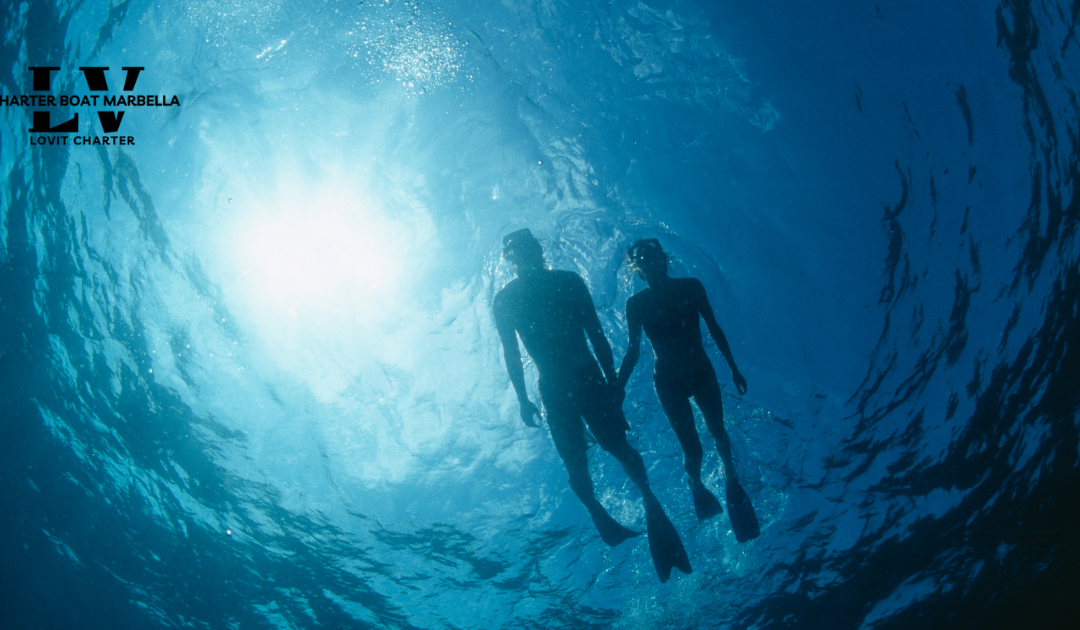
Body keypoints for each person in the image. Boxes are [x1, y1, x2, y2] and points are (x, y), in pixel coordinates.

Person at [493, 229, 691, 582]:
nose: (528, 255)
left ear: (538, 251)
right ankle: (602, 510)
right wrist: (523, 398)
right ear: (514, 259)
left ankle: (648, 502)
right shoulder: (511, 298)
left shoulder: (562, 283)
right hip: (561, 386)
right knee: (577, 460)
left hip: (584, 380)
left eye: (530, 248)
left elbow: (596, 332)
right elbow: (512, 351)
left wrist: (613, 382)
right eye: (521, 251)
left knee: (615, 446)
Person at [616, 238, 760, 542]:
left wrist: (734, 368)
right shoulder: (636, 305)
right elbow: (632, 351)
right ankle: (696, 484)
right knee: (693, 449)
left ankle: (730, 478)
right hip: (668, 382)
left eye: (654, 258)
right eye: (644, 262)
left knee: (719, 432)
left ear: (664, 260)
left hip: (702, 373)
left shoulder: (691, 287)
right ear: (639, 269)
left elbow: (714, 327)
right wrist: (618, 388)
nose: (651, 264)